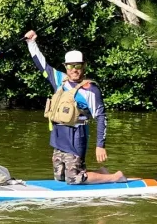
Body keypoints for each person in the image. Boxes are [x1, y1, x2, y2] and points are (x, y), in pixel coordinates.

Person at [24, 30, 126, 184]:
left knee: (74, 178)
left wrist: (100, 146)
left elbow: (101, 117)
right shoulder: (59, 79)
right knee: (60, 178)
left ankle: (115, 177)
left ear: (83, 66)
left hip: (76, 136)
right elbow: (42, 65)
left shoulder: (90, 89)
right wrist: (31, 43)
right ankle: (101, 173)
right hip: (58, 137)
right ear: (66, 67)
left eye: (77, 65)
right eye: (70, 66)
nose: (74, 69)